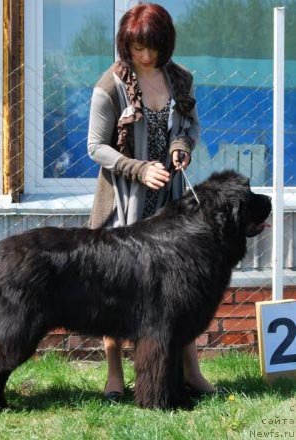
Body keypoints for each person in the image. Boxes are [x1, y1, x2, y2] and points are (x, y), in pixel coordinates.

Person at [87, 3, 215, 401]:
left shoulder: (181, 79)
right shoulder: (110, 84)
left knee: (177, 290)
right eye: (138, 48)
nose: (145, 56)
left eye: (153, 48)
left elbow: (190, 125)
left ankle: (190, 371)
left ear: (165, 44)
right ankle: (113, 375)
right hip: (123, 203)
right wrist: (139, 169)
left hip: (170, 203)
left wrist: (180, 146)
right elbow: (94, 147)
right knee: (115, 288)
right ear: (127, 44)